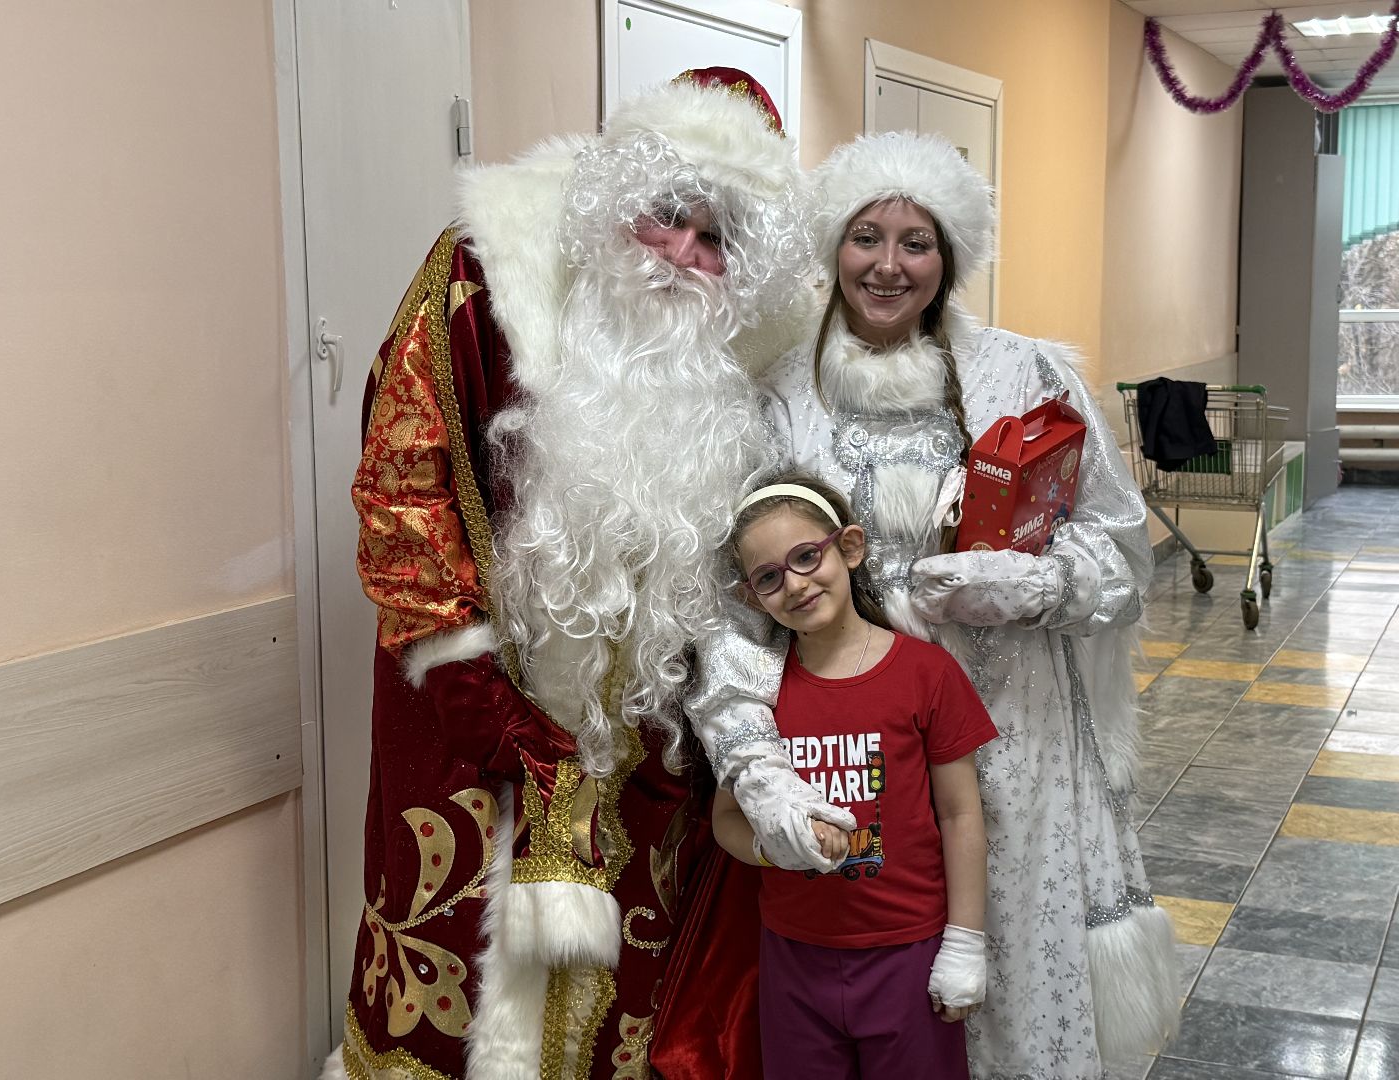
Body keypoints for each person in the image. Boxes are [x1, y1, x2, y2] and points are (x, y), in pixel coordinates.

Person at [323, 69, 830, 1080]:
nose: (682, 256)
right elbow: (402, 498)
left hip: (644, 754)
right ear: (617, 204)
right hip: (466, 725)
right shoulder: (483, 279)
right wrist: (493, 714)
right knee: (455, 1004)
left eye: (716, 241)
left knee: (619, 1013)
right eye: (667, 218)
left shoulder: (734, 361)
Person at [687, 131, 1181, 1078]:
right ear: (835, 245)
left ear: (949, 257)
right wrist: (758, 771)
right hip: (860, 744)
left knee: (1016, 984)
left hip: (1018, 745)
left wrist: (1034, 586)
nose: (888, 264)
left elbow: (1122, 557)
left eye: (916, 241)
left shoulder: (1029, 376)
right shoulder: (776, 401)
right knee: (884, 1003)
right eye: (866, 235)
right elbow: (733, 601)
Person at [711, 475, 995, 1078]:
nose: (795, 584)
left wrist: (966, 942)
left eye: (806, 556)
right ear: (751, 595)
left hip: (907, 952)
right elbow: (726, 819)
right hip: (795, 957)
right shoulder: (754, 696)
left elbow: (961, 814)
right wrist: (773, 848)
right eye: (769, 577)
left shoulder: (926, 673)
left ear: (850, 547)